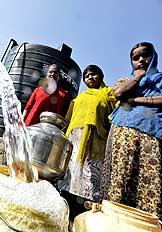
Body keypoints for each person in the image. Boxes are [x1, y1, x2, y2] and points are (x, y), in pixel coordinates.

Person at [101, 42, 162, 231]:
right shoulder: (126, 80)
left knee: (152, 188)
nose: (141, 60)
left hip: (155, 140)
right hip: (123, 138)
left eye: (145, 55)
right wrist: (137, 77)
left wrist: (138, 100)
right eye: (136, 57)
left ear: (154, 56)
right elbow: (118, 93)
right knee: (119, 182)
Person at [57, 65, 116, 220]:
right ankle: (65, 210)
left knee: (90, 179)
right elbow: (68, 120)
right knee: (70, 175)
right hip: (74, 140)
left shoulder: (108, 94)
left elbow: (114, 117)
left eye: (94, 74)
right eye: (87, 75)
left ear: (101, 76)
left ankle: (83, 216)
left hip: (95, 142)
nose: (90, 77)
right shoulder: (78, 98)